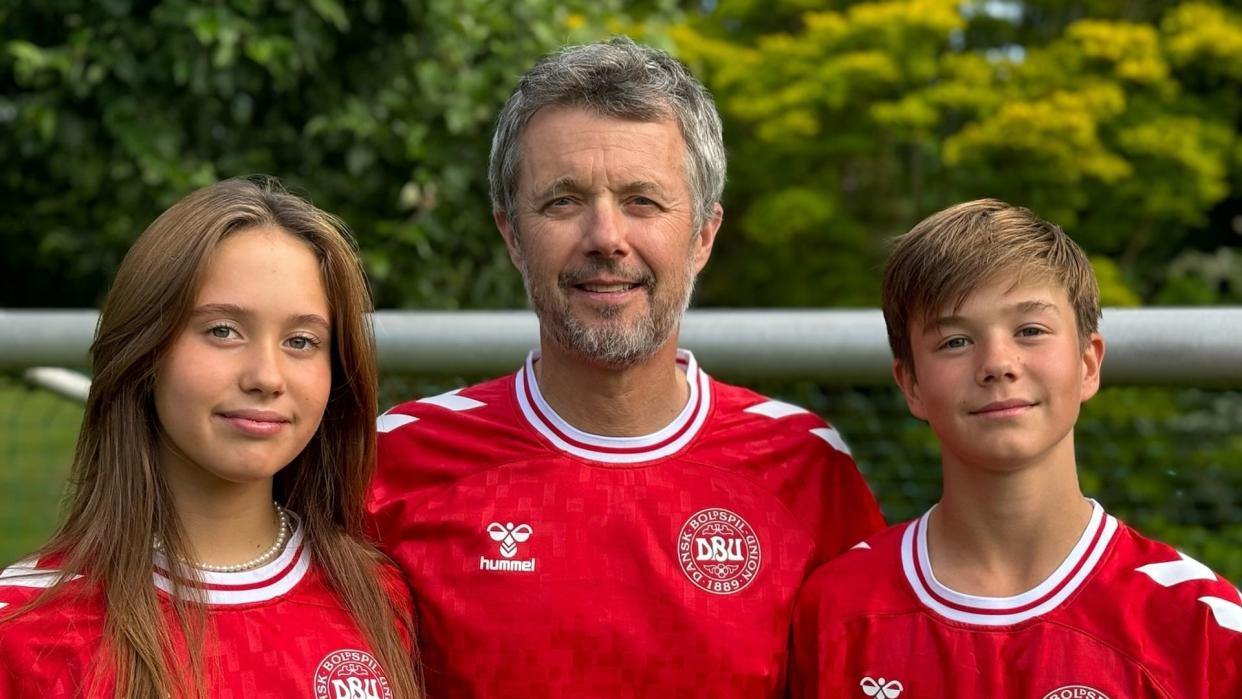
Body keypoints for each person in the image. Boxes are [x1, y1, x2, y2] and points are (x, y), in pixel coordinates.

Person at [367, 37, 885, 698]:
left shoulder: (805, 467)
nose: (606, 237)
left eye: (643, 201)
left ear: (703, 234)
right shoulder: (397, 461)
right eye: (563, 202)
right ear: (511, 235)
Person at [790, 199, 1242, 698]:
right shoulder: (835, 608)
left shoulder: (1201, 624)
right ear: (911, 384)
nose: (998, 363)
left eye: (1030, 331)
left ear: (1088, 364)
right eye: (955, 341)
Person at [0, 178, 421, 699]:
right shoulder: (25, 627)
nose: (267, 376)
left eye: (301, 341)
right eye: (223, 330)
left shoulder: (379, 596)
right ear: (144, 350)